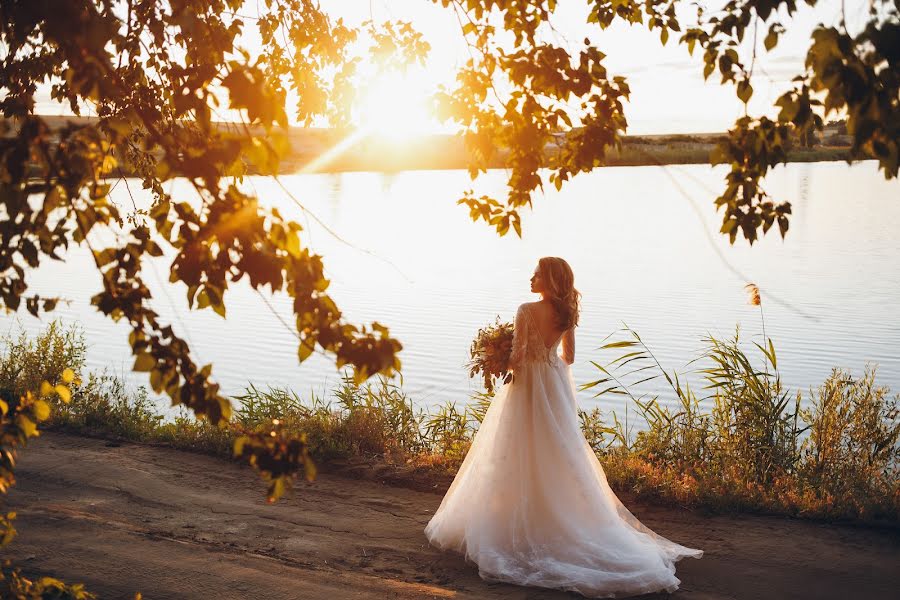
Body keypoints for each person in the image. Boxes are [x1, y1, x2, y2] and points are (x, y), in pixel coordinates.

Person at [425, 256, 702, 598]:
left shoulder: (526, 310)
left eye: (537, 273)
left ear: (550, 280)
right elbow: (568, 358)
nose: (531, 277)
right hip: (553, 387)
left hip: (527, 389)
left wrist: (495, 356)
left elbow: (519, 357)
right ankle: (563, 515)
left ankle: (518, 520)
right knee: (557, 451)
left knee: (514, 449)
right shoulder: (567, 312)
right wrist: (546, 357)